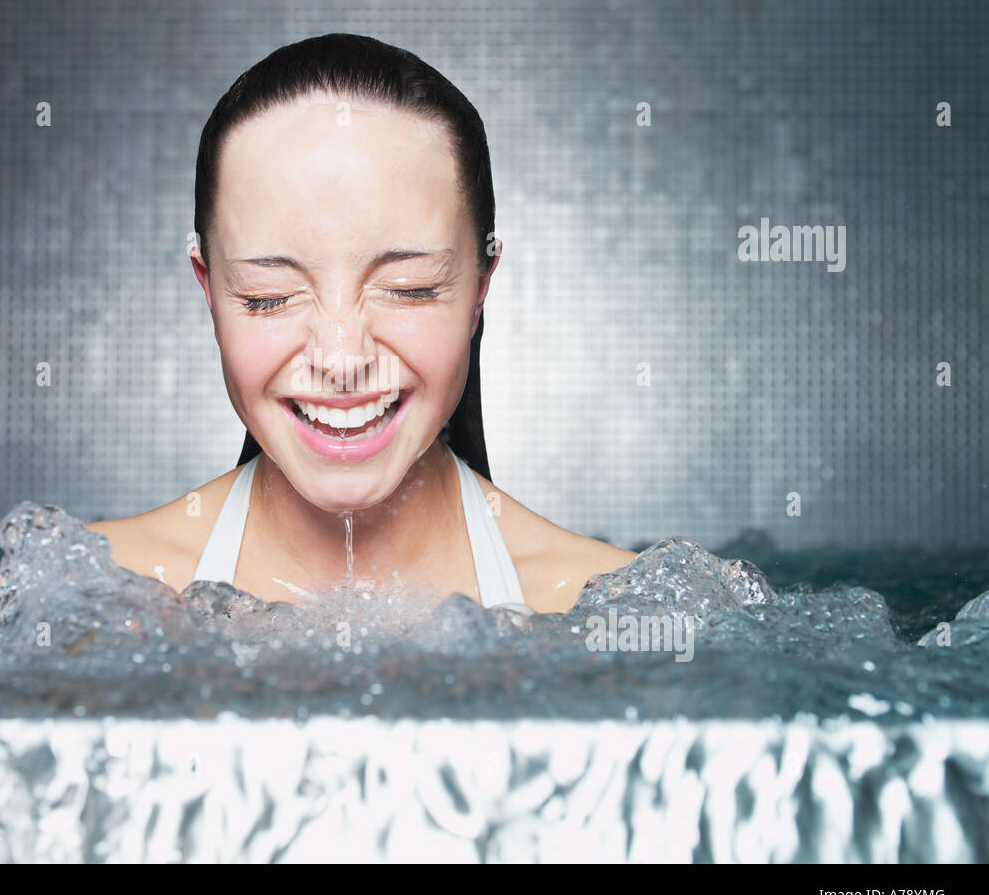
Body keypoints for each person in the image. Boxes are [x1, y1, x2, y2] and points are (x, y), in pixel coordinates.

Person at [88, 33, 634, 614]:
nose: (342, 360)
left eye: (409, 288)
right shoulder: (98, 598)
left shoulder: (608, 610)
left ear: (480, 287)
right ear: (211, 290)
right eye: (269, 297)